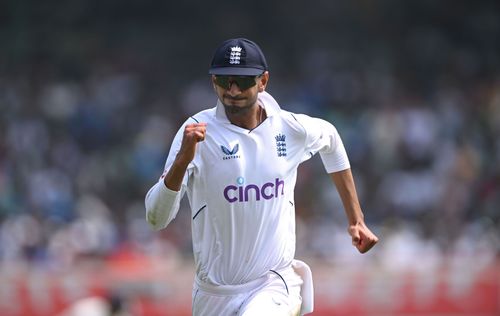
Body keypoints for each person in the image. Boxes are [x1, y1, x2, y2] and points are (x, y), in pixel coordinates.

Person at [145, 38, 379, 316]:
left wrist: (356, 219)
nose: (232, 90)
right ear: (213, 82)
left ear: (263, 81)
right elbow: (155, 218)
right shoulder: (196, 131)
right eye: (223, 80)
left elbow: (331, 139)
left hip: (273, 284)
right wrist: (183, 161)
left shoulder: (289, 128)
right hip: (213, 294)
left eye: (242, 82)